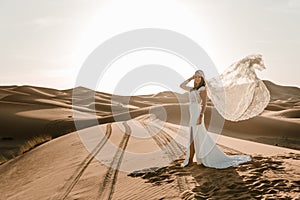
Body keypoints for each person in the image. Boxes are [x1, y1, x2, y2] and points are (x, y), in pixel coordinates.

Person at [180, 69, 252, 168]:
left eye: (198, 77)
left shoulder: (203, 89)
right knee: (192, 137)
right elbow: (181, 86)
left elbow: (204, 104)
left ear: (202, 78)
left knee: (197, 136)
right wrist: (190, 78)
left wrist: (201, 115)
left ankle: (191, 160)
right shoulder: (193, 89)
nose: (197, 79)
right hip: (192, 114)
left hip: (197, 113)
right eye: (195, 77)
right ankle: (190, 160)